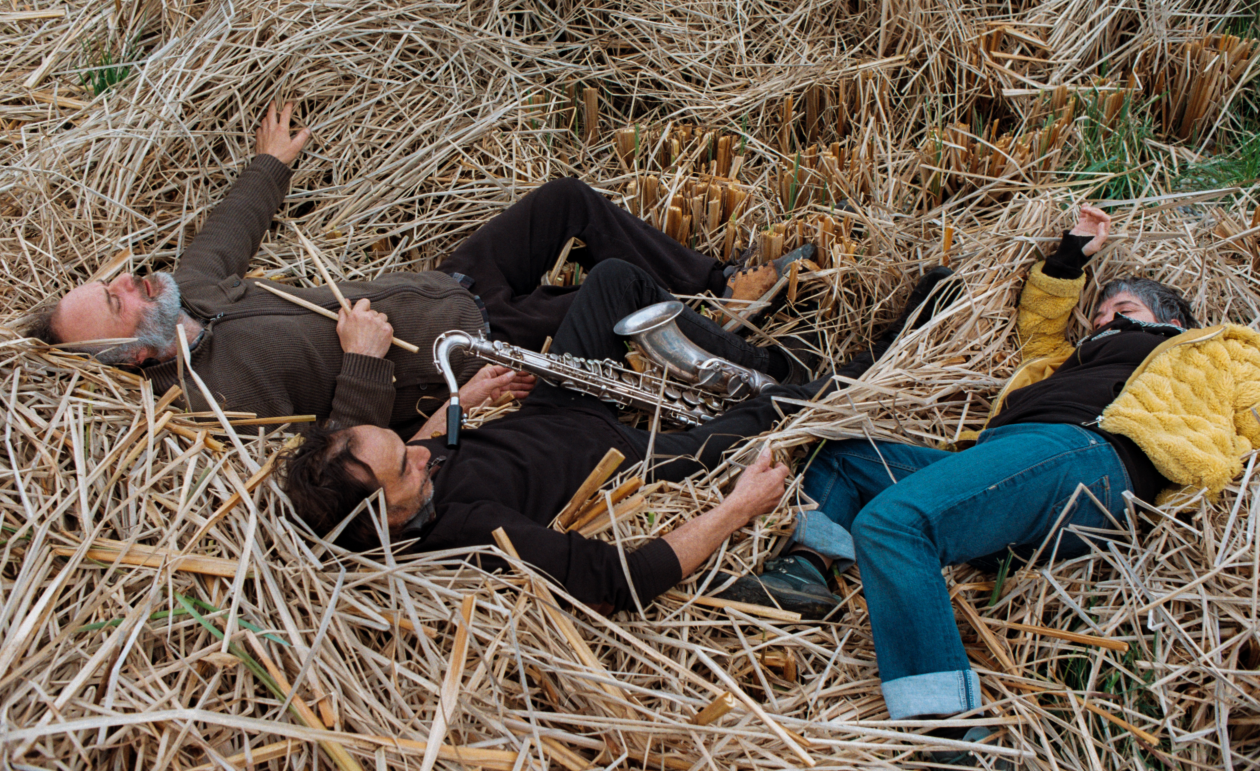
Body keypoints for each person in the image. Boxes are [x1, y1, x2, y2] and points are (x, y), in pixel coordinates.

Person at [713, 205, 1260, 754]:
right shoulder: (1069, 359)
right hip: (1017, 462)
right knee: (846, 456)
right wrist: (1071, 254)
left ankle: (949, 730)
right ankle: (808, 567)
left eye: (1121, 308)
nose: (1102, 320)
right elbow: (1041, 324)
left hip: (1091, 455)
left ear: (1172, 320)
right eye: (1098, 314)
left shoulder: (1217, 349)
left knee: (894, 524)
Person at [22, 103, 811, 440]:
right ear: (133, 355)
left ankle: (720, 286)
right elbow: (332, 463)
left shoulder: (192, 290)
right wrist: (361, 360)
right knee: (607, 293)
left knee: (563, 200)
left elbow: (230, 228)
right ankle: (749, 359)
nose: (132, 281)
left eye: (115, 279)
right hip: (469, 351)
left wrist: (270, 161)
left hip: (449, 283)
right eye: (117, 302)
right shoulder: (214, 403)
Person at [277, 252, 960, 613]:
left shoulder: (376, 486)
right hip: (625, 460)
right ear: (384, 526)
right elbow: (621, 581)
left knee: (611, 282)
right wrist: (736, 508)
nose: (425, 451)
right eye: (409, 466)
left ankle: (771, 361)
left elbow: (401, 450)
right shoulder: (473, 536)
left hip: (552, 413)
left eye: (408, 444)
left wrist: (456, 408)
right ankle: (891, 351)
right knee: (772, 416)